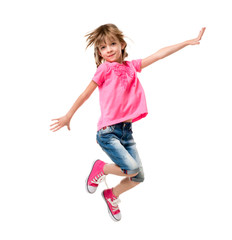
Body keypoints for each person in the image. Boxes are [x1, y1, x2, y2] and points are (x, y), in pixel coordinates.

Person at [50, 24, 206, 221]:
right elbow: (85, 94)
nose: (109, 50)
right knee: (131, 168)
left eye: (113, 44)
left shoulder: (131, 67)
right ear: (99, 52)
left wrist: (187, 42)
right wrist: (68, 115)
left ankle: (111, 194)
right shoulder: (104, 69)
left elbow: (158, 55)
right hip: (108, 132)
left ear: (122, 44)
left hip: (126, 132)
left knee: (138, 177)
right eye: (103, 47)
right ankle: (101, 168)